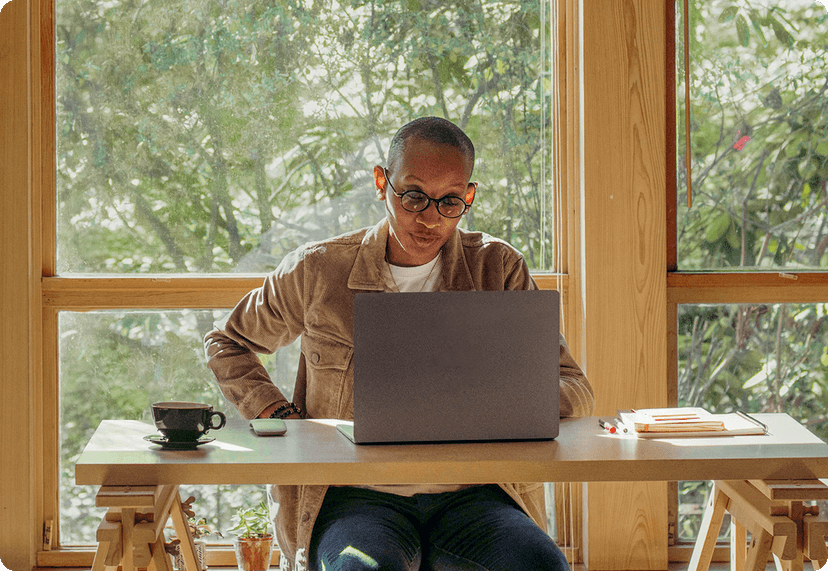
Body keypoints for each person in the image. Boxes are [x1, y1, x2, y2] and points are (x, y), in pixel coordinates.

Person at [205, 116, 595, 571]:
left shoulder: (499, 268)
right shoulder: (318, 270)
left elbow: (575, 387)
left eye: (450, 201)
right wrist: (277, 415)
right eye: (412, 196)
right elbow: (227, 342)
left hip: (477, 496)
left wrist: (502, 402)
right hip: (357, 496)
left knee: (542, 567)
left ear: (469, 196)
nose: (429, 217)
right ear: (381, 182)